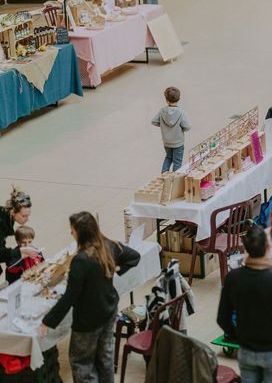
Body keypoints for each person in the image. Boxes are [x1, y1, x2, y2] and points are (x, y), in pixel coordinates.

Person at [40, 212, 140, 383]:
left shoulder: (81, 260)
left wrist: (47, 322)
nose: (70, 232)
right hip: (108, 311)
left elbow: (69, 297)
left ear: (80, 233)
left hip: (88, 320)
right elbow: (134, 256)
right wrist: (115, 269)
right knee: (105, 357)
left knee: (82, 363)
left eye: (72, 230)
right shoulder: (108, 246)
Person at [217, 225, 272, 383]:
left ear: (245, 248)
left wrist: (239, 338)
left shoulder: (233, 278)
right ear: (267, 248)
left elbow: (222, 318)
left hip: (247, 349)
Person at [0, 187, 39, 279]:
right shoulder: (1, 223)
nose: (27, 219)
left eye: (28, 216)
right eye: (24, 216)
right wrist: (22, 250)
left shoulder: (8, 216)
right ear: (13, 212)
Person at [151, 86, 192, 173]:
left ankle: (163, 175)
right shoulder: (181, 112)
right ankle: (175, 180)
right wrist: (181, 129)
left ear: (166, 99)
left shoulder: (162, 111)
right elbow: (188, 126)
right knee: (177, 162)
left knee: (168, 157)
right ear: (179, 98)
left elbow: (154, 121)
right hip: (178, 142)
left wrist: (163, 126)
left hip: (166, 141)